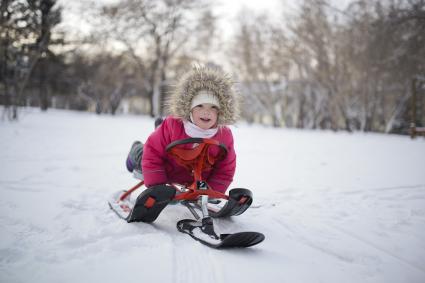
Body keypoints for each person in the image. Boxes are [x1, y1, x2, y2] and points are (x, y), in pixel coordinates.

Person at [125, 66, 240, 193]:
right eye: (200, 106)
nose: (206, 112)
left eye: (213, 107)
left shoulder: (224, 135)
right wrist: (158, 188)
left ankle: (158, 127)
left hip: (196, 179)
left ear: (220, 112)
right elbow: (152, 152)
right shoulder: (174, 124)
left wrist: (212, 193)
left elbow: (225, 168)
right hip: (166, 168)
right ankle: (135, 151)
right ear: (189, 109)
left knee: (161, 136)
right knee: (145, 152)